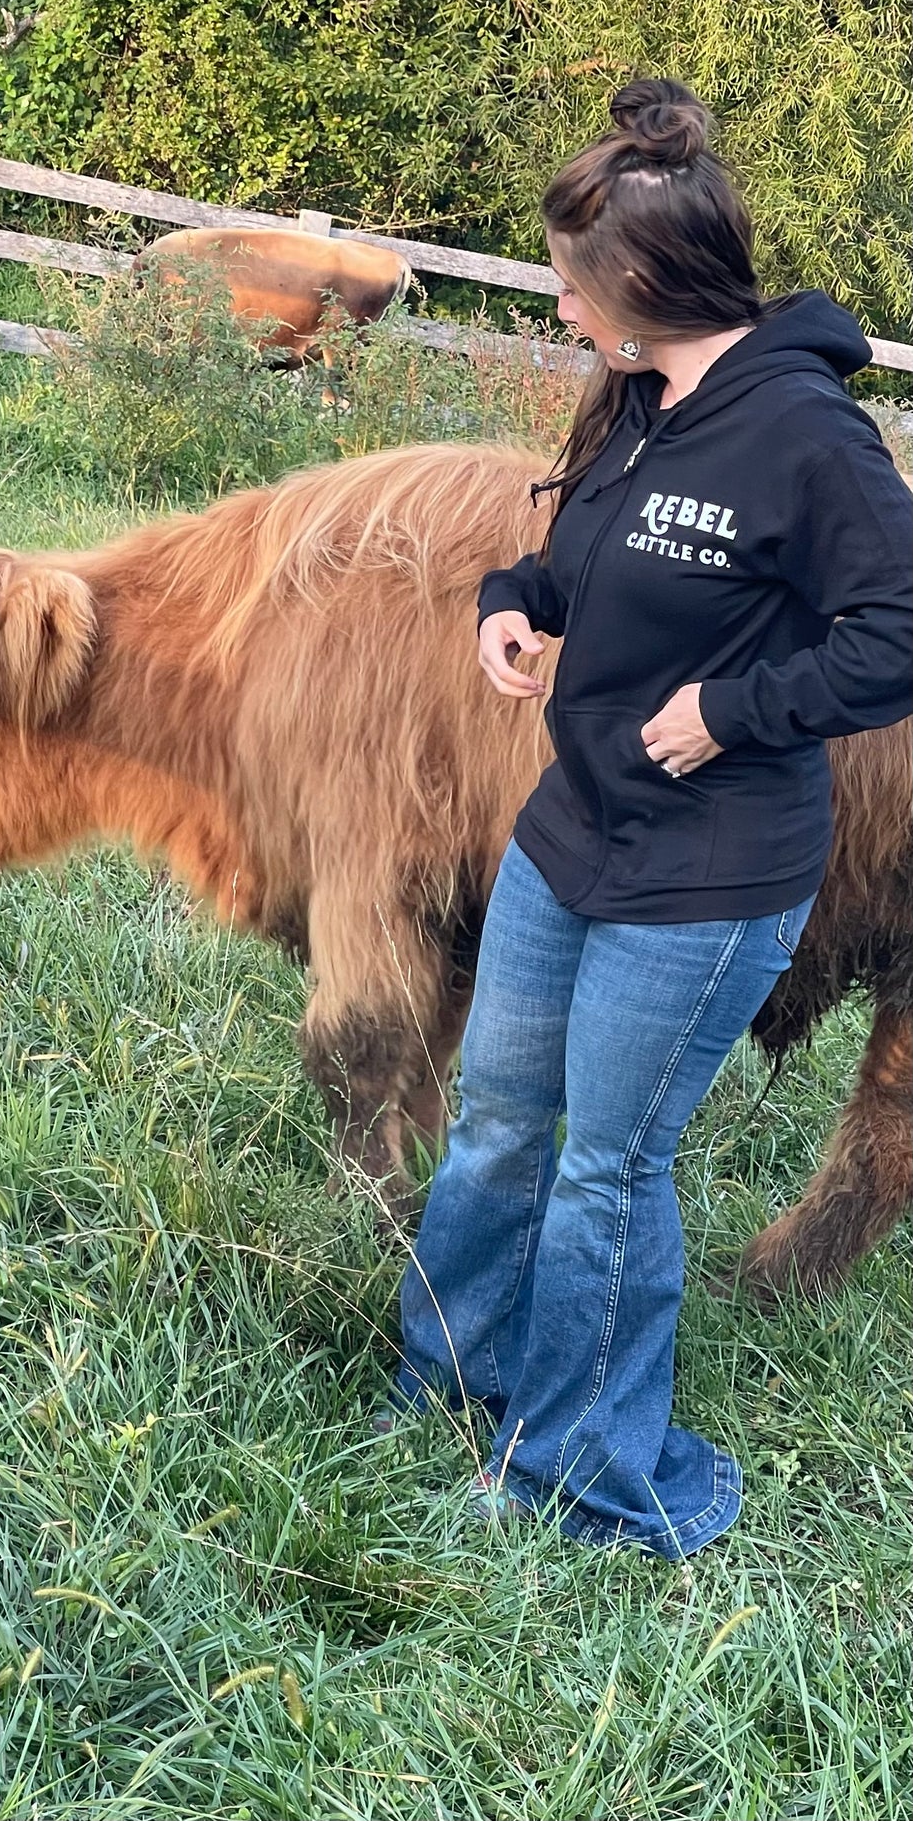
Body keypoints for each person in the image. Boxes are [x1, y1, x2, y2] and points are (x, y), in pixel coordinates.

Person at [382, 77, 913, 1559]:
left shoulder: (810, 439)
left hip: (708, 878)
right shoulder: (628, 400)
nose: (557, 310)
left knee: (607, 1166)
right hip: (569, 838)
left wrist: (736, 711)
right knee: (497, 1123)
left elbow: (894, 635)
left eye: (568, 286)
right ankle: (447, 1382)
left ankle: (578, 1466)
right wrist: (509, 607)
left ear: (646, 286)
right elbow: (575, 561)